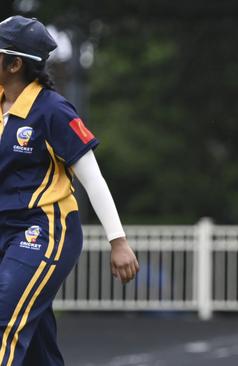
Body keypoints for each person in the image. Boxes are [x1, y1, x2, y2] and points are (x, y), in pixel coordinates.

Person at [0, 16, 139, 366]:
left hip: (44, 230)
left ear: (14, 64)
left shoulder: (52, 110)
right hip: (5, 229)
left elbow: (93, 179)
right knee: (36, 346)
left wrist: (118, 241)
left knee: (5, 321)